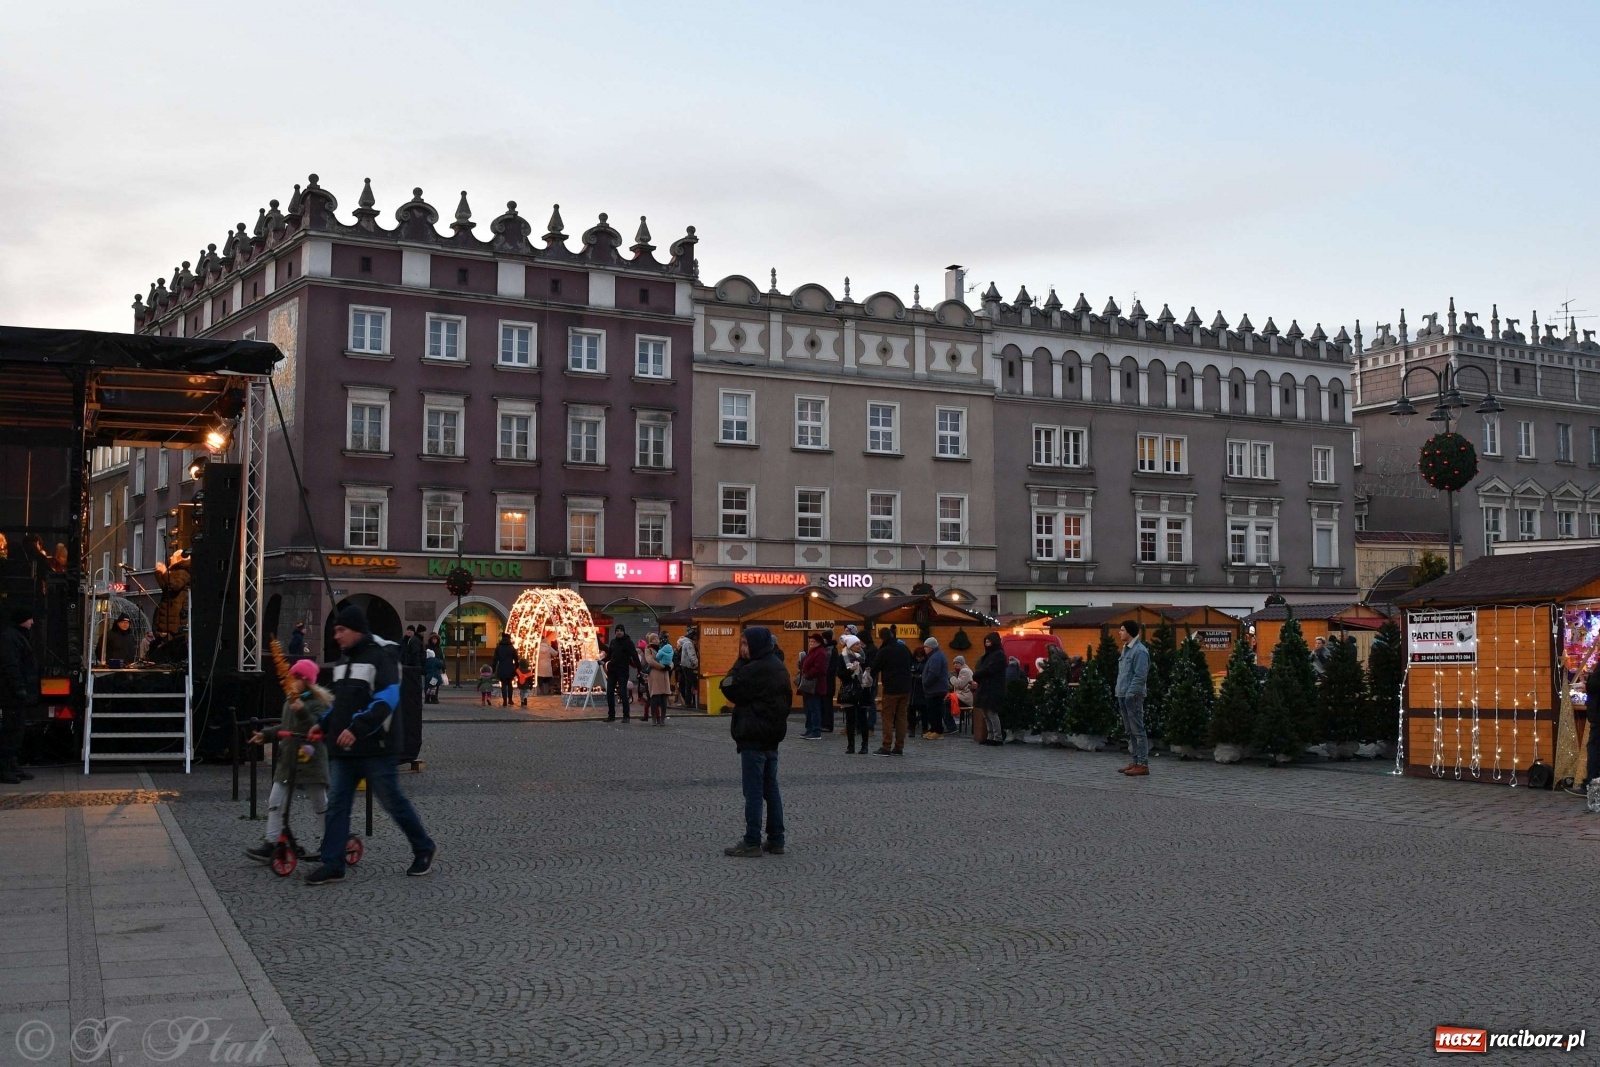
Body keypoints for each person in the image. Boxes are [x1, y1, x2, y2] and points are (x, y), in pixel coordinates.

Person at [303, 603, 435, 884]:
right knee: (338, 805)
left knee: (392, 802)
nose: (336, 636)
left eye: (341, 630)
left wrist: (356, 728)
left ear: (357, 630)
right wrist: (324, 724)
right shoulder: (344, 662)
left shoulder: (381, 657)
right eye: (335, 630)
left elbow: (387, 700)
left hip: (377, 747)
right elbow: (340, 703)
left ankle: (423, 847)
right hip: (345, 748)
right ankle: (333, 863)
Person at [245, 658, 331, 864]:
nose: (290, 680)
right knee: (275, 802)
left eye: (295, 677)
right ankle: (272, 843)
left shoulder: (317, 704)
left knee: (320, 803)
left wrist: (301, 710)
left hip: (310, 762)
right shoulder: (289, 701)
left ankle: (331, 840)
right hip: (288, 762)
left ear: (305, 680)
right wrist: (266, 735)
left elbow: (314, 726)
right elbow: (286, 726)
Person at [720, 626, 790, 858]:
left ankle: (752, 841)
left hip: (753, 736)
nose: (742, 649)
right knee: (771, 789)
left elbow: (728, 686)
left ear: (756, 644)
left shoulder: (754, 669)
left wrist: (739, 662)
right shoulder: (779, 667)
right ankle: (776, 839)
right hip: (772, 737)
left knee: (753, 791)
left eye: (745, 644)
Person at [0, 607, 39, 783]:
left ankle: (12, 764)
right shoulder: (11, 638)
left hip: (17, 693)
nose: (32, 622)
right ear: (21, 619)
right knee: (11, 731)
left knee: (17, 731)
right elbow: (11, 666)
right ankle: (5, 768)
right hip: (12, 695)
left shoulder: (16, 636)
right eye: (29, 619)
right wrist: (19, 688)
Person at [1115, 620, 1151, 776]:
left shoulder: (1139, 651)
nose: (1119, 632)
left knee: (1138, 730)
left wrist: (1130, 693)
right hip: (1123, 694)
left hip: (1133, 696)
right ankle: (1135, 761)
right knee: (1130, 730)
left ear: (1129, 632)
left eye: (1122, 630)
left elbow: (1140, 675)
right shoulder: (1126, 649)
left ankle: (1142, 763)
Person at [874, 627, 912, 755]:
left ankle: (886, 746)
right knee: (902, 717)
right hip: (906, 687)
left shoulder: (885, 650)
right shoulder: (904, 648)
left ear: (881, 637)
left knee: (888, 717)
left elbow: (875, 667)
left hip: (891, 689)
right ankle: (899, 746)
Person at [838, 635, 873, 755]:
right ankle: (850, 745)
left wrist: (868, 672)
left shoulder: (864, 656)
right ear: (850, 646)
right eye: (857, 644)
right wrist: (850, 671)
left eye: (859, 643)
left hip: (862, 690)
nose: (859, 646)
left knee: (863, 719)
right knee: (850, 719)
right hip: (849, 691)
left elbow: (871, 669)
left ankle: (865, 746)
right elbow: (840, 674)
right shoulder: (843, 656)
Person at [972, 631, 1008, 746]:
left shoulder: (998, 655)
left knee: (992, 713)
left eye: (988, 641)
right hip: (986, 687)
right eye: (986, 642)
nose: (986, 644)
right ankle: (990, 735)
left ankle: (997, 737)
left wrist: (978, 674)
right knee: (986, 713)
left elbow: (989, 669)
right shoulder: (989, 655)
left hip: (994, 688)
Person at [602, 625, 641, 722]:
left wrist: (639, 669)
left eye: (620, 631)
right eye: (617, 631)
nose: (618, 632)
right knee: (609, 693)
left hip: (623, 672)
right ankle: (611, 715)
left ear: (624, 632)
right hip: (612, 671)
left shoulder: (628, 642)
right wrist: (602, 661)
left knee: (623, 693)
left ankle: (626, 716)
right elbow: (609, 655)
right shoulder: (613, 642)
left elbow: (635, 656)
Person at [797, 632, 829, 739]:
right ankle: (809, 729)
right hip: (808, 686)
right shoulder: (813, 651)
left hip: (814, 685)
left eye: (813, 641)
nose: (811, 643)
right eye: (810, 641)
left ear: (819, 642)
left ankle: (816, 731)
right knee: (808, 709)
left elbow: (820, 669)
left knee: (814, 708)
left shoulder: (820, 652)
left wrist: (808, 674)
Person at [920, 638, 950, 740]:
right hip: (935, 688)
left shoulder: (935, 657)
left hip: (936, 689)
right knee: (932, 710)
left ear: (931, 647)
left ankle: (938, 731)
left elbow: (933, 674)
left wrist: (925, 682)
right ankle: (933, 729)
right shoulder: (936, 655)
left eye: (926, 647)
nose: (924, 649)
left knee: (935, 710)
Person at [646, 632, 674, 725]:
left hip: (664, 675)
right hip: (655, 674)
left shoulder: (665, 647)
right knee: (655, 696)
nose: (656, 640)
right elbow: (650, 660)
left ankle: (662, 719)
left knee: (663, 697)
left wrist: (669, 666)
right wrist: (662, 666)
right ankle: (654, 718)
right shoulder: (648, 649)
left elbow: (671, 660)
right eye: (654, 639)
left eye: (657, 638)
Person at [951, 655, 976, 738]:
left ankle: (951, 724)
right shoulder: (963, 670)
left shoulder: (964, 671)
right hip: (963, 696)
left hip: (966, 698)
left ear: (961, 663)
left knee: (946, 701)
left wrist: (951, 678)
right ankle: (954, 721)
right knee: (948, 699)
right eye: (954, 663)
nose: (955, 665)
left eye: (957, 663)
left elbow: (959, 685)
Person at [676, 627, 700, 709]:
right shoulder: (689, 644)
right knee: (695, 684)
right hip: (689, 666)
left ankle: (688, 702)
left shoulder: (685, 642)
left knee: (688, 685)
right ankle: (696, 702)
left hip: (684, 666)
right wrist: (697, 665)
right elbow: (692, 656)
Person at [492, 633, 517, 707]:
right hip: (510, 668)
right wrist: (517, 667)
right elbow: (516, 658)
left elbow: (495, 659)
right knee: (510, 684)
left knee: (503, 684)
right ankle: (510, 700)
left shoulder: (498, 647)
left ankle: (504, 701)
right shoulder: (511, 647)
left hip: (502, 667)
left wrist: (493, 669)